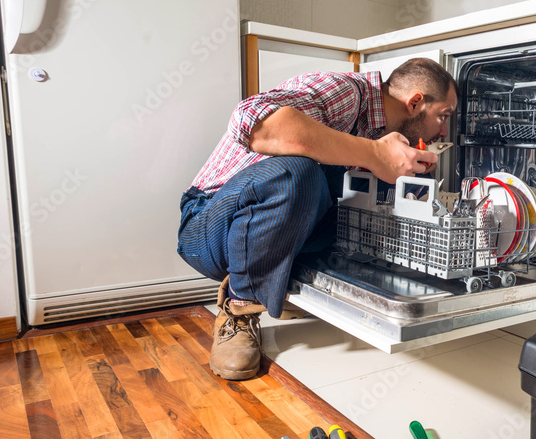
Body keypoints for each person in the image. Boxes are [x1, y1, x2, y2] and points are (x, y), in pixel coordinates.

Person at [178, 58, 457, 380]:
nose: (444, 131)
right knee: (297, 172)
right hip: (210, 228)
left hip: (274, 237)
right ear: (416, 102)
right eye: (443, 116)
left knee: (355, 195)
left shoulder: (380, 134)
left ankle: (280, 284)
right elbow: (252, 120)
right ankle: (240, 310)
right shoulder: (346, 91)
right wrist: (374, 155)